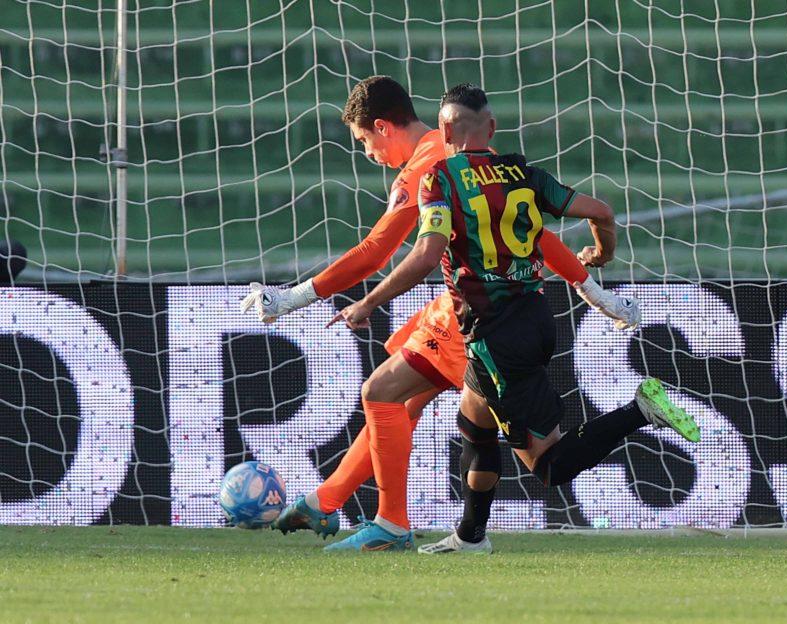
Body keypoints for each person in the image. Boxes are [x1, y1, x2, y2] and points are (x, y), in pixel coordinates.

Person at [241, 76, 640, 551]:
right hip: (499, 310)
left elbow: (375, 253)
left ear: (385, 127)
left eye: (365, 141)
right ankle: (342, 504)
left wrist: (292, 298)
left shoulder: (432, 167)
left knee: (400, 402)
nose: (368, 153)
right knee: (414, 410)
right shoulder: (498, 169)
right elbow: (542, 235)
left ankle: (389, 523)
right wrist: (597, 292)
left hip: (474, 314)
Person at [338, 83, 700, 554]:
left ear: (445, 129)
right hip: (533, 316)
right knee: (474, 423)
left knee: (548, 466)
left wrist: (369, 302)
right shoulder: (523, 173)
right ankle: (470, 536)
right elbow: (601, 211)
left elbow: (427, 255)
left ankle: (640, 410)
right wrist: (600, 253)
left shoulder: (440, 179)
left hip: (496, 335)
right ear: (491, 127)